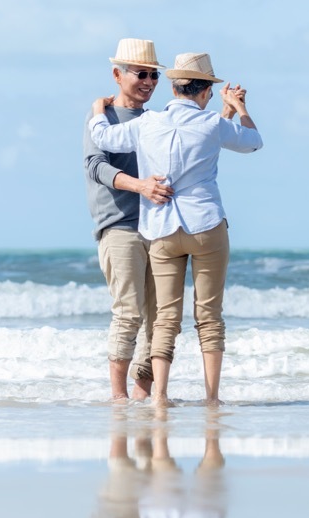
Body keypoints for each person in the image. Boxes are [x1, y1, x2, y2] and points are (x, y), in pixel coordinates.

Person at [89, 52, 262, 405]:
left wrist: (96, 112)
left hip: (161, 227)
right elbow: (252, 141)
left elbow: (105, 139)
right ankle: (212, 397)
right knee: (209, 316)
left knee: (165, 318)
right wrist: (240, 109)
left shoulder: (148, 122)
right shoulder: (213, 124)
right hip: (206, 225)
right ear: (205, 92)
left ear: (172, 86)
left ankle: (160, 396)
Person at [83, 38, 174, 401]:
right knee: (129, 312)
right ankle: (118, 398)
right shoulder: (100, 119)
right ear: (117, 75)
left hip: (160, 225)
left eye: (154, 75)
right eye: (141, 74)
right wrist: (140, 187)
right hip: (118, 224)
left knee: (161, 318)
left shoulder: (159, 119)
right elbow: (96, 167)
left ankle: (141, 393)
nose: (149, 81)